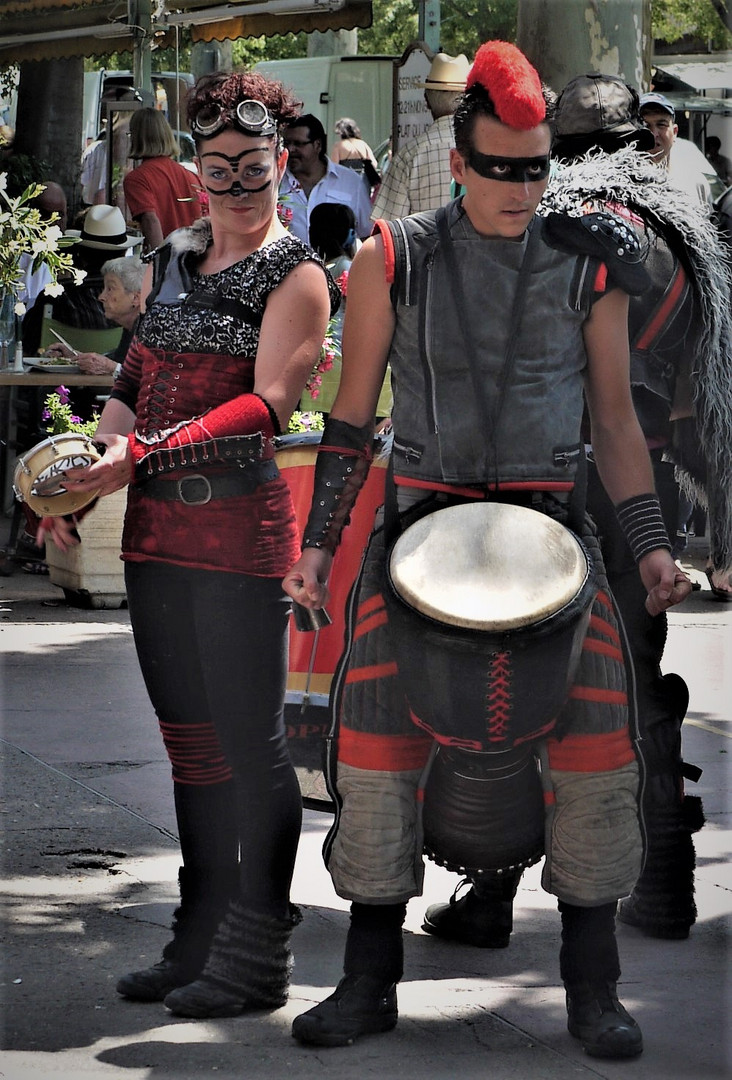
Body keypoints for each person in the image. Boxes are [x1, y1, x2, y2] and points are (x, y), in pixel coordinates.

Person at [283, 40, 691, 1060]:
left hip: (556, 540)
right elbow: (349, 417)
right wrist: (320, 551)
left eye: (537, 166)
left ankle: (591, 990)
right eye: (502, 166)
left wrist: (646, 549)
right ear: (458, 159)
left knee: (598, 772)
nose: (522, 187)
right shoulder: (391, 257)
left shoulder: (590, 263)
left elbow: (617, 420)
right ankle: (367, 983)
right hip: (416, 537)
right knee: (374, 769)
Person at [38, 69, 340, 1020]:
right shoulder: (175, 257)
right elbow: (133, 373)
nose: (238, 189)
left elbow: (269, 404)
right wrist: (89, 457)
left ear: (280, 163)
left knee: (251, 750)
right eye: (219, 171)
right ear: (195, 172)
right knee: (189, 749)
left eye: (254, 169)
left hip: (240, 538)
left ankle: (257, 957)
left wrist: (144, 451)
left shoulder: (299, 275)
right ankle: (198, 937)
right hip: (157, 535)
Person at [423, 73, 732, 954]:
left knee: (513, 692)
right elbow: (707, 400)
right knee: (627, 690)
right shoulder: (681, 242)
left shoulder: (563, 232)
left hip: (551, 485)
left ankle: (493, 901)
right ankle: (662, 884)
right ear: (645, 145)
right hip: (639, 486)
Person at [22, 204, 143, 356]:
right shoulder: (134, 301)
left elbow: (26, 347)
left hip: (60, 378)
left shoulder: (54, 297)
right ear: (124, 253)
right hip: (116, 376)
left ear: (80, 253)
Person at [370, 52, 470, 221]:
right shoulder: (487, 149)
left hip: (424, 247)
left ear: (426, 100)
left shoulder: (409, 154)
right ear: (468, 100)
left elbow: (386, 226)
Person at [278, 114, 373, 243]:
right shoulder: (276, 181)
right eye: (287, 143)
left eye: (298, 144)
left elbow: (367, 233)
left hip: (337, 263)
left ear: (317, 145)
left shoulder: (351, 183)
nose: (290, 149)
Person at [44, 256, 145, 376]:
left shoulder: (153, 332)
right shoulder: (132, 329)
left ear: (135, 298)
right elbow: (117, 362)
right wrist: (76, 357)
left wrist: (112, 368)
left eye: (110, 289)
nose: (101, 297)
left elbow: (153, 378)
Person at [123, 108, 203, 252]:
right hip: (198, 258)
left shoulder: (137, 179)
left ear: (137, 137)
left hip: (171, 261)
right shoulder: (191, 176)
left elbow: (150, 220)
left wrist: (158, 261)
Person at [638, 92, 713, 206]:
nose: (653, 134)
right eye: (645, 125)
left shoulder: (696, 183)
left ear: (675, 132)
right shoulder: (621, 185)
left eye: (661, 125)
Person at [330, 117, 380, 192]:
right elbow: (374, 163)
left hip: (345, 183)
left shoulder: (339, 146)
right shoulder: (363, 144)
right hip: (363, 182)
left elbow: (334, 168)